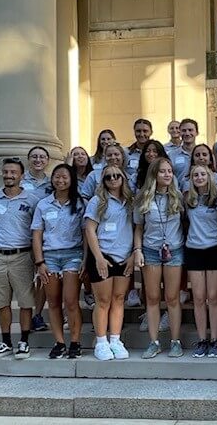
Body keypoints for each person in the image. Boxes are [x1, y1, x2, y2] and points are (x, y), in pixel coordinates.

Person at [0, 157, 41, 360]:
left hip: (22, 256)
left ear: (21, 176)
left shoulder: (32, 200)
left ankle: (24, 341)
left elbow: (37, 230)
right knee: (1, 302)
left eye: (13, 172)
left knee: (25, 302)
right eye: (6, 172)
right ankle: (5, 342)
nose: (9, 175)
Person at [31, 164, 86, 359]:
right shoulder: (43, 204)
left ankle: (75, 341)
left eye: (64, 177)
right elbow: (37, 234)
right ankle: (59, 342)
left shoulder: (80, 204)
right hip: (50, 257)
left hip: (73, 254)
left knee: (71, 301)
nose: (60, 180)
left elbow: (85, 233)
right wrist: (40, 262)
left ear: (71, 180)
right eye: (56, 176)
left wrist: (85, 259)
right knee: (53, 302)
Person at [134, 157, 185, 359]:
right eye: (163, 171)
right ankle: (153, 342)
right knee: (153, 297)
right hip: (151, 249)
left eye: (170, 171)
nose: (167, 174)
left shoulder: (178, 196)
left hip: (174, 250)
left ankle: (175, 341)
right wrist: (137, 250)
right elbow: (138, 227)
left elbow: (185, 223)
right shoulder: (142, 197)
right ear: (154, 174)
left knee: (172, 298)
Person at [84, 165, 134, 361]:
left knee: (119, 299)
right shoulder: (97, 201)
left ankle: (115, 339)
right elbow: (89, 230)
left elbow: (137, 227)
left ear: (123, 178)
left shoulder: (131, 201)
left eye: (117, 176)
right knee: (103, 301)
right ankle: (101, 341)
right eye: (108, 177)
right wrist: (98, 258)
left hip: (124, 256)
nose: (113, 179)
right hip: (103, 256)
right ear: (103, 181)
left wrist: (132, 254)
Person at [184, 165, 217, 358]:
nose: (199, 177)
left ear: (210, 177)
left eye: (203, 174)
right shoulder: (188, 199)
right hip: (194, 249)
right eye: (195, 175)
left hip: (215, 249)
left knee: (214, 297)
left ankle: (215, 339)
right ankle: (202, 340)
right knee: (199, 298)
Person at [21, 146, 53, 333]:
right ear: (29, 159)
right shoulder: (21, 180)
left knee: (42, 278)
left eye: (42, 157)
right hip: (22, 235)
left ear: (47, 160)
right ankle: (26, 311)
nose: (38, 160)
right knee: (26, 278)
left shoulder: (52, 182)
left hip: (44, 236)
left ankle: (38, 315)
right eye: (34, 157)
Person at [66, 146, 95, 309]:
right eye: (76, 154)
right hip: (74, 221)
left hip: (91, 220)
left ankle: (90, 290)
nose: (80, 156)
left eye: (83, 154)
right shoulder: (69, 177)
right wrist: (68, 165)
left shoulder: (93, 175)